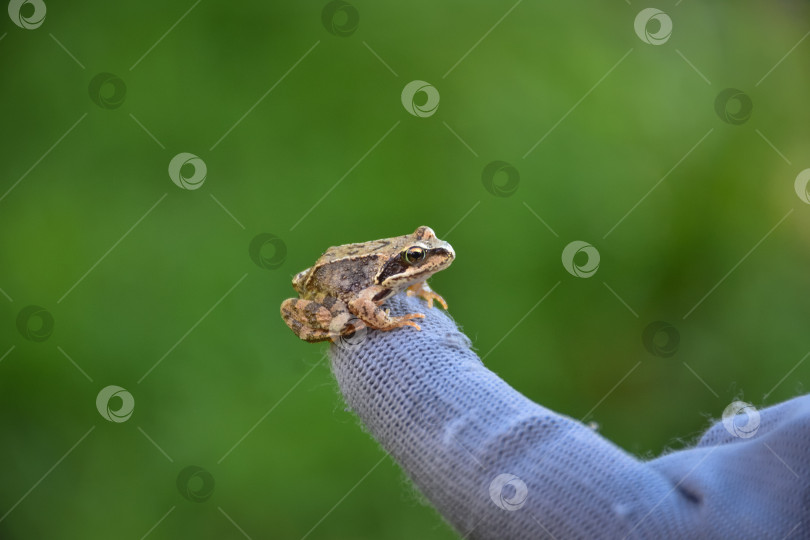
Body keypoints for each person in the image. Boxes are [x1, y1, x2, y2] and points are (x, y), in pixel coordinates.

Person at [329, 294, 809, 539]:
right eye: (415, 259)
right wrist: (386, 321)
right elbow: (356, 303)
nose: (431, 259)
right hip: (343, 294)